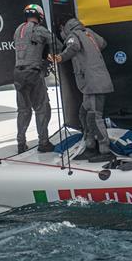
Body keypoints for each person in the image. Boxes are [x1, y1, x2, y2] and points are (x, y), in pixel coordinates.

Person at [51, 16, 115, 162]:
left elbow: (73, 47)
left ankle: (104, 151)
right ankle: (90, 146)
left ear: (64, 28)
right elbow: (103, 43)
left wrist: (60, 57)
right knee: (84, 114)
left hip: (92, 82)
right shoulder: (88, 32)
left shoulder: (74, 35)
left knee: (93, 116)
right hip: (96, 81)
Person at [13, 4, 61, 154]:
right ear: (40, 16)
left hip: (18, 74)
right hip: (33, 73)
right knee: (42, 108)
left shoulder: (17, 30)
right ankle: (44, 143)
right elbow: (57, 46)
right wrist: (48, 53)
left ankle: (21, 143)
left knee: (23, 110)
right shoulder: (40, 30)